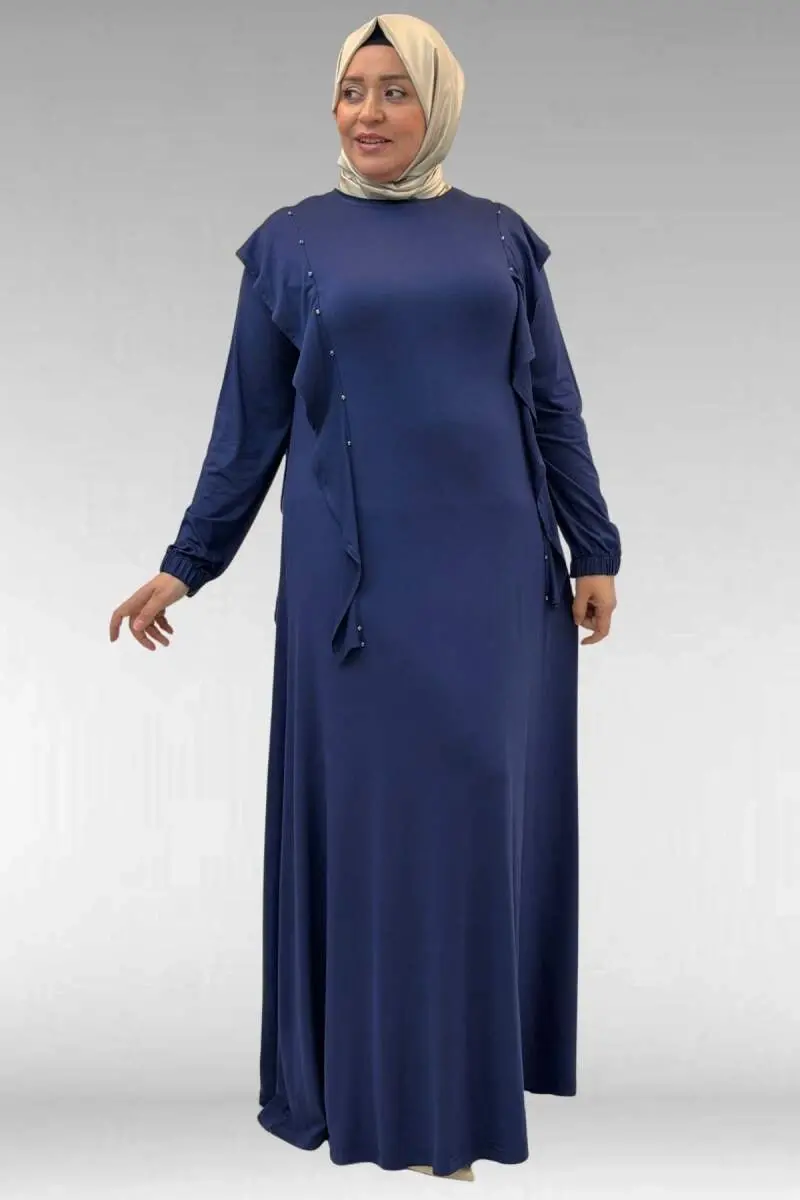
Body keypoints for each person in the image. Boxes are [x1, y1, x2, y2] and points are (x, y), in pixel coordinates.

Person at [109, 12, 621, 1182]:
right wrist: (187, 561)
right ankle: (380, 1101)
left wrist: (591, 545)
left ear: (438, 103)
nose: (370, 113)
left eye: (396, 90)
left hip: (492, 581)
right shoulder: (290, 242)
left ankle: (459, 1110)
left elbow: (550, 401)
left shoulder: (499, 237)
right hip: (355, 592)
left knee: (473, 825)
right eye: (352, 90)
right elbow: (247, 429)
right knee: (378, 835)